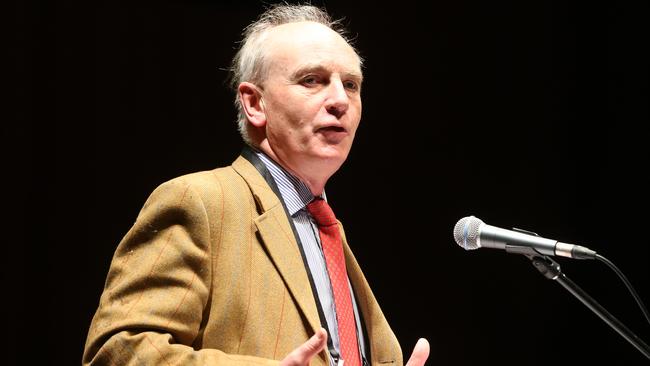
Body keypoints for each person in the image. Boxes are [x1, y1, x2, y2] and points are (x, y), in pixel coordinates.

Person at [82, 4, 429, 366]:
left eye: (351, 84)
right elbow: (118, 351)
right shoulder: (200, 201)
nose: (340, 100)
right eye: (312, 79)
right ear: (254, 103)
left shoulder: (327, 229)